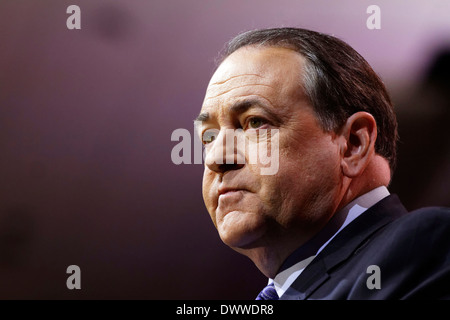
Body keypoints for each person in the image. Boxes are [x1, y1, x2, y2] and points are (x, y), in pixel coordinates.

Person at [195, 27, 450, 300]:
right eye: (209, 136)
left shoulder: (422, 248)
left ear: (353, 144)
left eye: (255, 122)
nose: (215, 158)